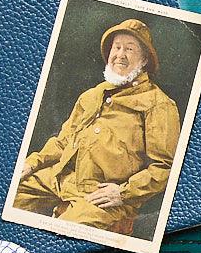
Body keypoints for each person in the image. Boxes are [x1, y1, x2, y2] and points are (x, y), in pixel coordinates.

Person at [13, 19, 181, 233]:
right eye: (117, 47)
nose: (120, 54)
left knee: (66, 232)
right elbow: (63, 142)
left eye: (130, 49)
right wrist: (31, 163)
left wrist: (123, 193)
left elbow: (164, 168)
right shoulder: (91, 95)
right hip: (61, 179)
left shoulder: (159, 104)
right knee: (7, 195)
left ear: (145, 59)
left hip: (102, 195)